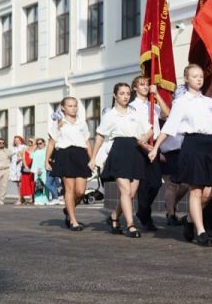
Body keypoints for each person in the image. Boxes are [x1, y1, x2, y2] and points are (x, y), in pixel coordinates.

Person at [148, 65, 212, 247]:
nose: (199, 79)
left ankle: (190, 221)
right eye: (194, 76)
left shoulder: (209, 101)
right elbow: (169, 126)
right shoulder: (181, 102)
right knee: (196, 190)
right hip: (192, 145)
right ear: (186, 79)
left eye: (200, 76)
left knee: (208, 192)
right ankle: (201, 231)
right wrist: (155, 147)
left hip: (208, 146)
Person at [90, 83, 150, 238]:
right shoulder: (110, 115)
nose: (125, 96)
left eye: (128, 93)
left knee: (131, 193)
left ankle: (114, 217)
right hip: (119, 150)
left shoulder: (135, 113)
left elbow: (149, 129)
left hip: (135, 150)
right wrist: (93, 158)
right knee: (125, 191)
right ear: (115, 95)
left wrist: (144, 138)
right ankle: (130, 225)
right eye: (122, 93)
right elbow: (100, 135)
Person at [47, 96, 92, 231]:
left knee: (80, 192)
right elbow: (51, 143)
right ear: (63, 108)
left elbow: (87, 142)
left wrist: (92, 159)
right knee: (70, 189)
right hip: (64, 155)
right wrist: (46, 161)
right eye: (70, 106)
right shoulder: (58, 123)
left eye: (75, 105)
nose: (73, 108)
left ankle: (68, 209)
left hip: (81, 156)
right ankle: (73, 221)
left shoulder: (82, 123)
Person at [130, 76, 169, 232]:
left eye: (147, 84)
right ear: (134, 88)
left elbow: (167, 114)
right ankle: (146, 216)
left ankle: (142, 211)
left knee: (156, 183)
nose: (145, 87)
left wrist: (157, 95)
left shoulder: (153, 105)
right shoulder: (132, 106)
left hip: (154, 146)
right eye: (141, 84)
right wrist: (144, 144)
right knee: (142, 183)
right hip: (139, 146)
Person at [159, 132, 188, 226]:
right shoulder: (161, 118)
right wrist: (158, 152)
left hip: (182, 153)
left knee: (186, 185)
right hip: (166, 153)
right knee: (171, 185)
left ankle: (170, 204)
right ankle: (171, 215)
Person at [9, 135, 26, 205]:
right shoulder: (13, 148)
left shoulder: (24, 147)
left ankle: (21, 198)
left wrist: (21, 158)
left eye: (18, 140)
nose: (16, 141)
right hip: (14, 167)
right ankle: (21, 197)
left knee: (21, 183)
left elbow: (25, 155)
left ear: (21, 140)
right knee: (18, 184)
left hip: (21, 166)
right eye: (15, 140)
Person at [18, 138, 35, 204]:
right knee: (26, 183)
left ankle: (33, 197)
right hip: (26, 168)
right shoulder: (25, 149)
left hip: (33, 167)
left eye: (31, 141)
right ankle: (26, 198)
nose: (29, 142)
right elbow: (23, 158)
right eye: (28, 141)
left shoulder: (35, 149)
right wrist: (26, 166)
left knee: (32, 183)